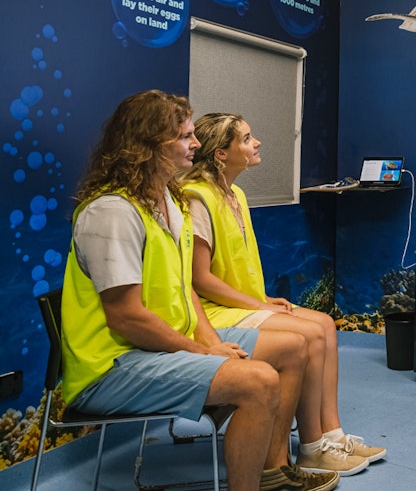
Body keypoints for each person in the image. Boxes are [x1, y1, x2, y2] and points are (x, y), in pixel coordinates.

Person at [61, 90, 339, 491]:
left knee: (294, 346)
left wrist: (209, 339)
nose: (195, 145)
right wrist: (201, 351)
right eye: (184, 136)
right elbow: (126, 317)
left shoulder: (166, 204)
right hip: (114, 366)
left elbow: (184, 288)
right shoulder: (111, 213)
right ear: (147, 143)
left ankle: (273, 470)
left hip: (160, 345)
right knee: (258, 381)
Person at [181, 112, 385, 476]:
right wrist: (258, 303)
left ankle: (331, 434)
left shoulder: (235, 193)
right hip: (215, 312)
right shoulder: (197, 200)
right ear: (220, 154)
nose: (256, 143)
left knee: (323, 323)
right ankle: (310, 448)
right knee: (305, 334)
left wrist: (260, 300)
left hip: (239, 304)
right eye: (245, 138)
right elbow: (200, 281)